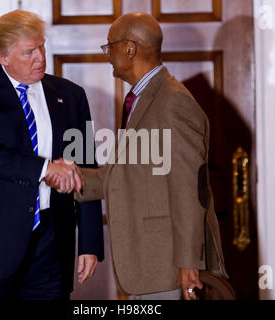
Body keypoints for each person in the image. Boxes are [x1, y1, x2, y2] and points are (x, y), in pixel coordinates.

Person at [53, 12, 228, 300]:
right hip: (150, 267)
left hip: (169, 267)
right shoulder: (142, 98)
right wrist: (71, 176)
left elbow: (188, 188)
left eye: (110, 46)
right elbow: (130, 173)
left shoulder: (172, 101)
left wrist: (188, 264)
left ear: (130, 48)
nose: (108, 54)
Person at [0, 9, 104, 300]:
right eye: (29, 52)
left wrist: (90, 242)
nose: (41, 58)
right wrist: (46, 169)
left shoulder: (71, 95)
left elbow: (85, 167)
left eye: (42, 47)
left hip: (51, 246)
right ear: (2, 57)